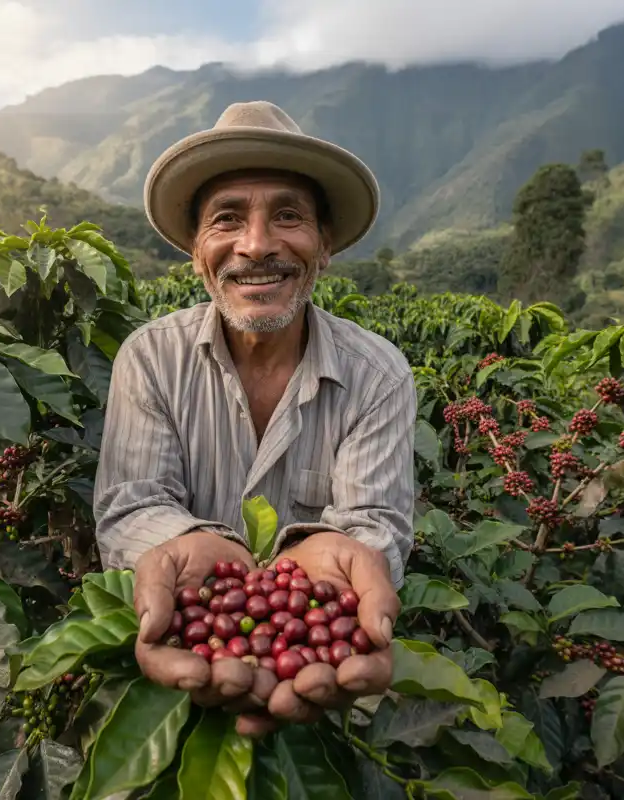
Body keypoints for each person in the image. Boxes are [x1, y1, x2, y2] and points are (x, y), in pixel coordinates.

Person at [92, 100, 416, 737]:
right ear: (197, 251)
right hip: (178, 687)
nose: (257, 245)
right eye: (227, 219)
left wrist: (334, 562)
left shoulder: (379, 374)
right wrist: (190, 552)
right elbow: (132, 506)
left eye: (288, 216)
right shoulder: (151, 357)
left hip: (324, 704)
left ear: (324, 247)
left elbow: (374, 525)